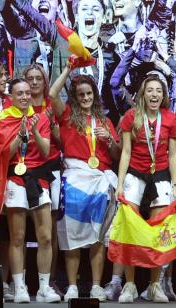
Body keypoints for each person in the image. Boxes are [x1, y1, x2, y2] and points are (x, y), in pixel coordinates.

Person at [49, 60, 120, 302]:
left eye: (89, 93)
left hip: (100, 182)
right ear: (75, 97)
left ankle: (97, 286)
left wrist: (110, 140)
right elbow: (51, 94)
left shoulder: (106, 122)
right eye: (81, 94)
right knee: (72, 235)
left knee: (97, 236)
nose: (86, 97)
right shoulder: (67, 116)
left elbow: (116, 156)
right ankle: (71, 285)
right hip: (75, 181)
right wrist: (69, 69)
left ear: (95, 96)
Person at [115, 76, 176, 303]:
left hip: (161, 176)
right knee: (130, 230)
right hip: (135, 175)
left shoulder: (171, 119)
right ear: (142, 94)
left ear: (163, 95)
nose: (154, 95)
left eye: (158, 91)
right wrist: (120, 184)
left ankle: (154, 285)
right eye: (149, 90)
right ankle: (130, 285)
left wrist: (175, 185)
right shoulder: (131, 117)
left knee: (159, 232)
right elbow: (125, 152)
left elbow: (172, 154)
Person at [0, 78, 61, 303]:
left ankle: (43, 288)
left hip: (38, 178)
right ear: (11, 97)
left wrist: (35, 130)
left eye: (27, 93)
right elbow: (4, 154)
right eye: (19, 94)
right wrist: (20, 135)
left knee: (45, 236)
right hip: (15, 178)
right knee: (17, 238)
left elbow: (45, 152)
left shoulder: (41, 117)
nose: (24, 97)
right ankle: (19, 286)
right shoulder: (4, 118)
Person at [22, 63, 64, 297]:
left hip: (50, 167)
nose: (35, 82)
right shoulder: (17, 103)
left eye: (39, 78)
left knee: (49, 230)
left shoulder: (51, 105)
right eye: (31, 78)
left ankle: (50, 281)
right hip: (23, 168)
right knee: (18, 231)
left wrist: (53, 125)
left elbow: (62, 142)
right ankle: (18, 282)